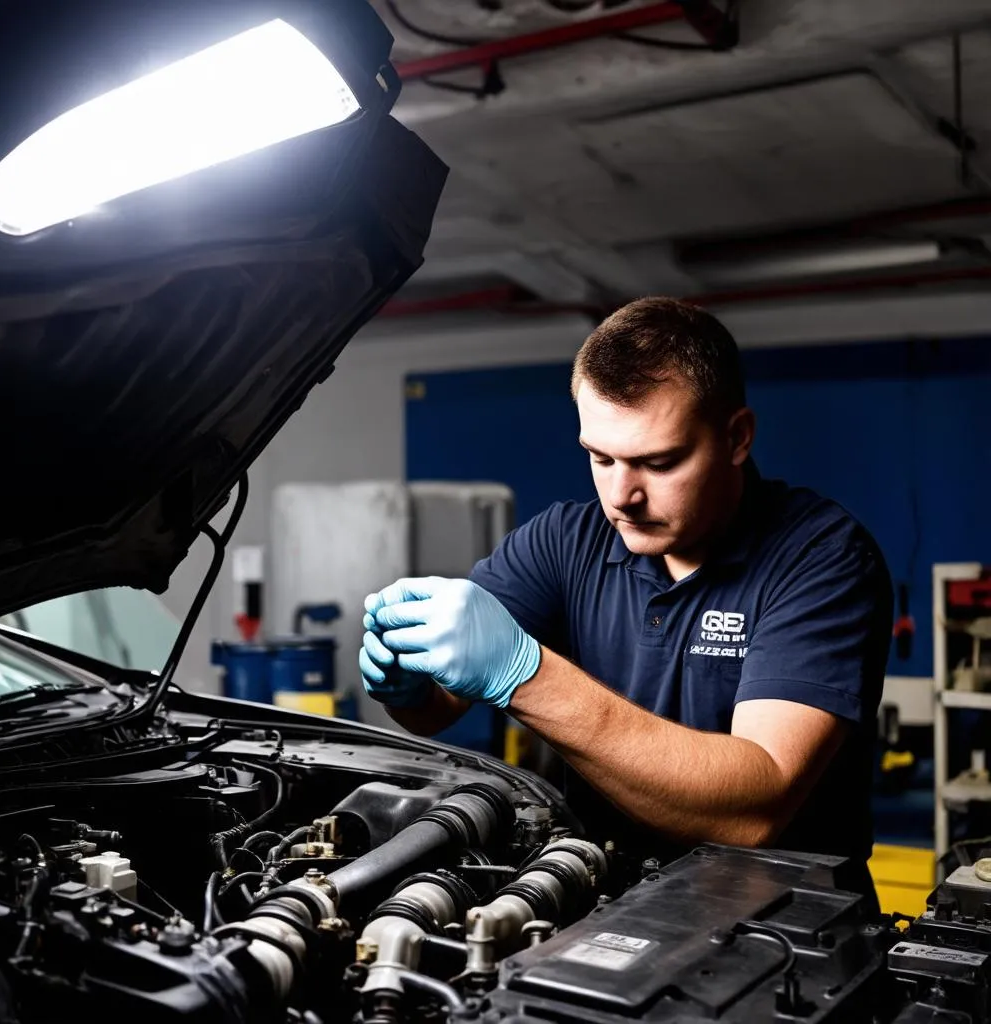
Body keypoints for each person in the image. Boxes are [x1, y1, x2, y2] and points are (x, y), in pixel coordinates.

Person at [359, 297, 892, 898]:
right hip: (603, 903)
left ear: (737, 437)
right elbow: (438, 706)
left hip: (784, 930)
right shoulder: (563, 541)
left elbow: (754, 810)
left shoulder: (820, 556)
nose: (621, 497)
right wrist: (406, 681)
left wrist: (524, 674)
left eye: (658, 463)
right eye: (600, 457)